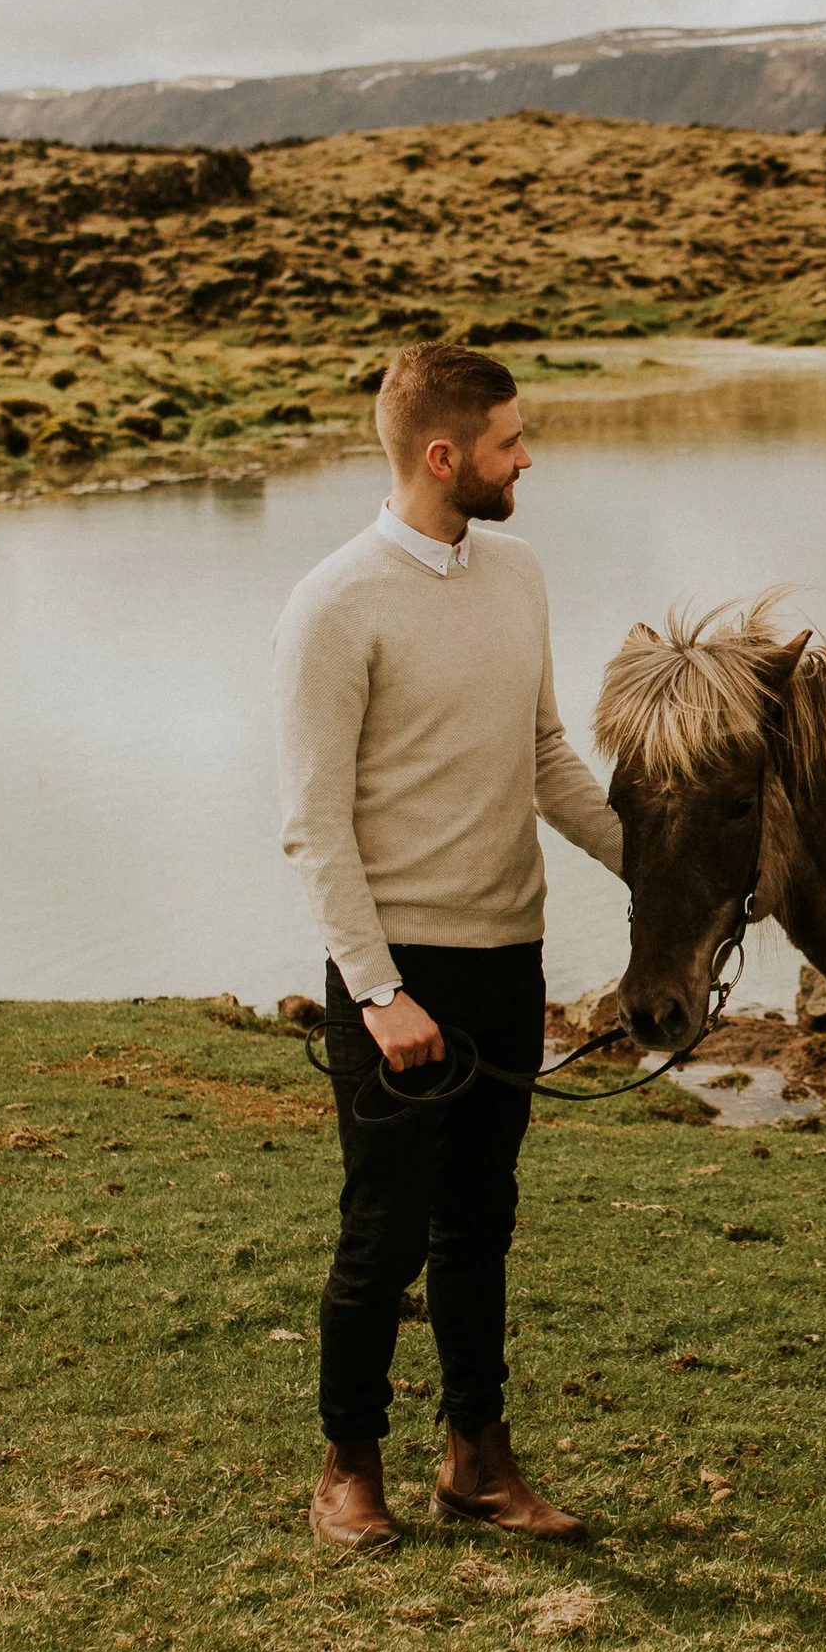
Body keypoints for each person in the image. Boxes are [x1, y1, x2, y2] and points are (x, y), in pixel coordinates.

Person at [272, 340, 623, 1550]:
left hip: (506, 958)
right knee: (382, 1231)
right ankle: (347, 1467)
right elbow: (312, 827)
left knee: (481, 1221)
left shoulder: (517, 572)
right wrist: (376, 994)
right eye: (509, 442)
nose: (528, 457)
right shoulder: (333, 604)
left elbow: (543, 755)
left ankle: (478, 1459)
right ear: (442, 455)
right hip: (397, 983)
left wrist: (656, 867)